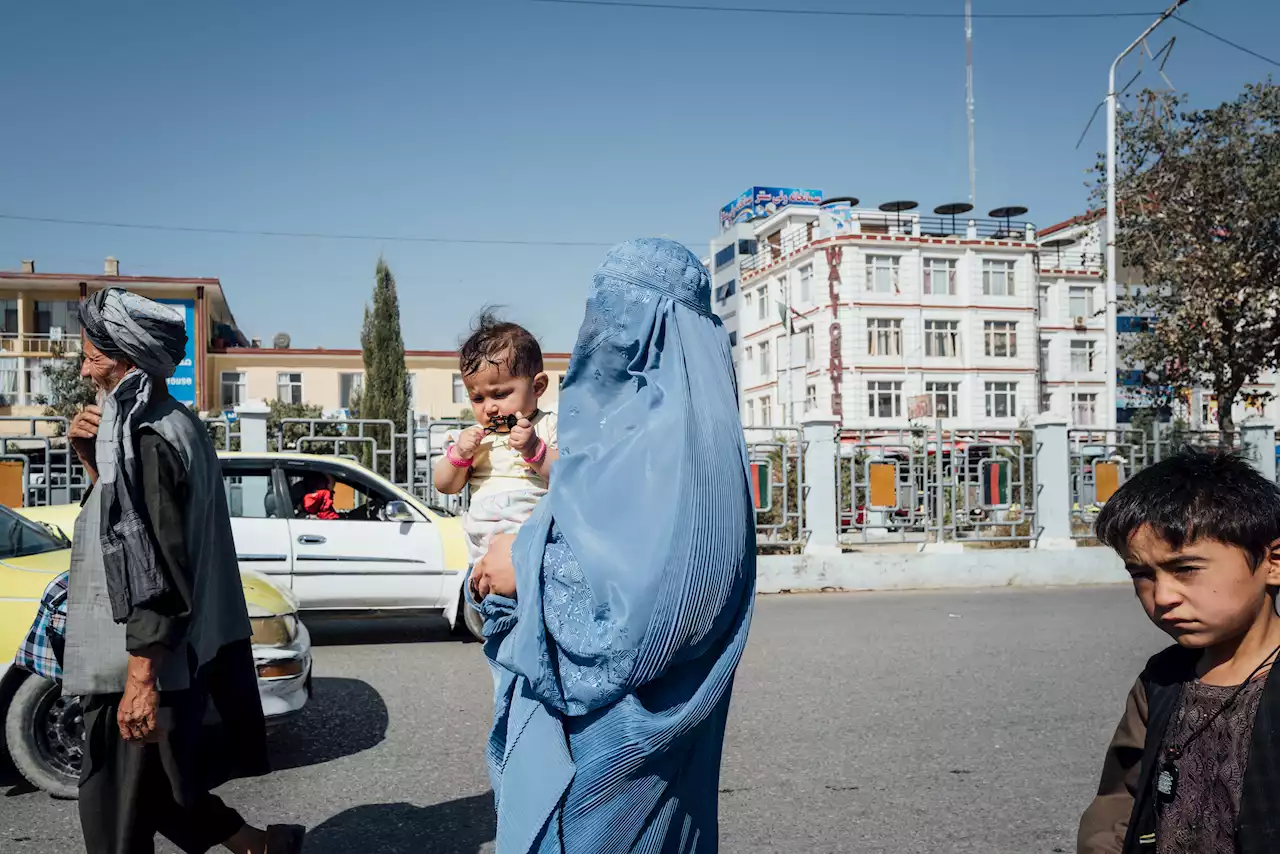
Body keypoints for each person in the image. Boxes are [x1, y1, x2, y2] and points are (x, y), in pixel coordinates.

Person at [467, 238, 756, 853]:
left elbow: (658, 607)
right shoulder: (628, 437)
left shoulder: (684, 450)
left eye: (623, 319)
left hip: (619, 761)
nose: (604, 335)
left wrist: (525, 568)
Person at [64, 287, 303, 854]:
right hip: (161, 661)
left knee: (113, 824)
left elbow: (156, 568)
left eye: (92, 357)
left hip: (138, 663)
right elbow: (130, 528)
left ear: (127, 359)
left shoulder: (145, 438)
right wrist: (89, 459)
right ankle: (261, 845)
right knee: (161, 794)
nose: (82, 370)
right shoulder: (168, 424)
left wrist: (140, 682)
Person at [1078, 449, 1280, 853]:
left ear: (1273, 562)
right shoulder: (1162, 681)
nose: (1163, 596)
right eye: (1142, 574)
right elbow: (1118, 803)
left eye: (1186, 569)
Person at [434, 313, 558, 567]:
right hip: (482, 545)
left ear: (538, 387)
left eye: (499, 394)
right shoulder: (474, 438)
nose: (489, 408)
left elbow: (567, 476)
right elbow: (444, 485)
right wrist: (459, 455)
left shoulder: (549, 425)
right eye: (478, 399)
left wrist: (534, 449)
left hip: (530, 535)